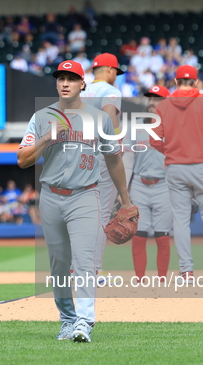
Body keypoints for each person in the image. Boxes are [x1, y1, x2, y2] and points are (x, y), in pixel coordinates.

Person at [17, 60, 134, 343]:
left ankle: (84, 321)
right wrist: (47, 138)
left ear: (83, 84)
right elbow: (22, 160)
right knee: (58, 265)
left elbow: (114, 159)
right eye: (61, 78)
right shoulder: (42, 116)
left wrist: (126, 199)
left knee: (83, 261)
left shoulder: (100, 117)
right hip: (51, 197)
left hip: (85, 195)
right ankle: (67, 320)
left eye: (71, 78)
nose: (65, 83)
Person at [150, 65, 203, 284]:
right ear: (195, 83)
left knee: (180, 220)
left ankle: (186, 272)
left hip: (176, 167)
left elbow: (153, 139)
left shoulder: (163, 105)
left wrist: (169, 152)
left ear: (176, 83)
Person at [80, 53, 130, 283]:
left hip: (78, 157)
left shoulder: (81, 90)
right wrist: (115, 142)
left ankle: (75, 270)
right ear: (110, 70)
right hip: (100, 156)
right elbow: (110, 113)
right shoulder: (110, 91)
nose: (116, 78)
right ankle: (94, 272)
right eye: (115, 73)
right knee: (100, 216)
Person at [130, 86, 172, 281]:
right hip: (139, 183)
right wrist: (123, 191)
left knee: (162, 235)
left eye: (158, 98)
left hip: (164, 185)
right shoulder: (137, 125)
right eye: (150, 98)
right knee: (138, 235)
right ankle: (140, 279)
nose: (152, 102)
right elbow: (126, 158)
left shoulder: (175, 127)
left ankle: (162, 279)